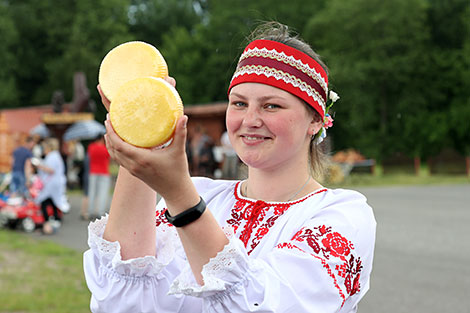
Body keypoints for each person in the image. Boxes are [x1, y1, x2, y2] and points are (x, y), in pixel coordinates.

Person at [83, 22, 376, 312]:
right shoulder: (203, 194)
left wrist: (182, 200)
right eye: (238, 104)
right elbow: (122, 301)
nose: (250, 120)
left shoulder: (342, 217)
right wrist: (140, 129)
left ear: (315, 120)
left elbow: (263, 305)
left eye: (271, 105)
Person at [34, 137, 68, 234]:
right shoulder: (55, 155)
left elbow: (51, 170)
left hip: (51, 183)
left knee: (44, 201)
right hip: (54, 182)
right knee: (53, 201)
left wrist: (39, 166)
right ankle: (55, 219)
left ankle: (47, 221)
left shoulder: (53, 156)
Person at [87, 134, 111, 219]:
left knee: (92, 192)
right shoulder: (105, 148)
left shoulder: (91, 147)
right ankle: (100, 212)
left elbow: (90, 157)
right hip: (104, 172)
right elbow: (109, 157)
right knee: (103, 193)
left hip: (93, 171)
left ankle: (90, 211)